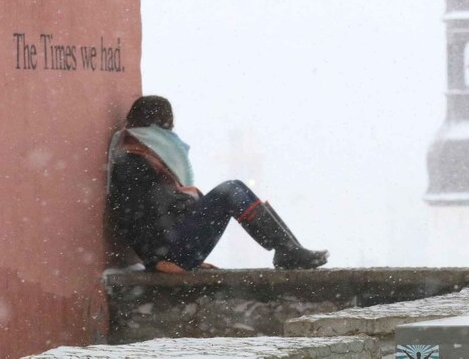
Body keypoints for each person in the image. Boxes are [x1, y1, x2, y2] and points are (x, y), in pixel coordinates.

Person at [107, 95, 328, 272]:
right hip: (168, 251)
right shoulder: (133, 160)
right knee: (229, 191)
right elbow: (131, 215)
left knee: (234, 188)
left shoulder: (152, 153)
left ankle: (288, 248)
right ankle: (286, 250)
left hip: (176, 245)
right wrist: (155, 260)